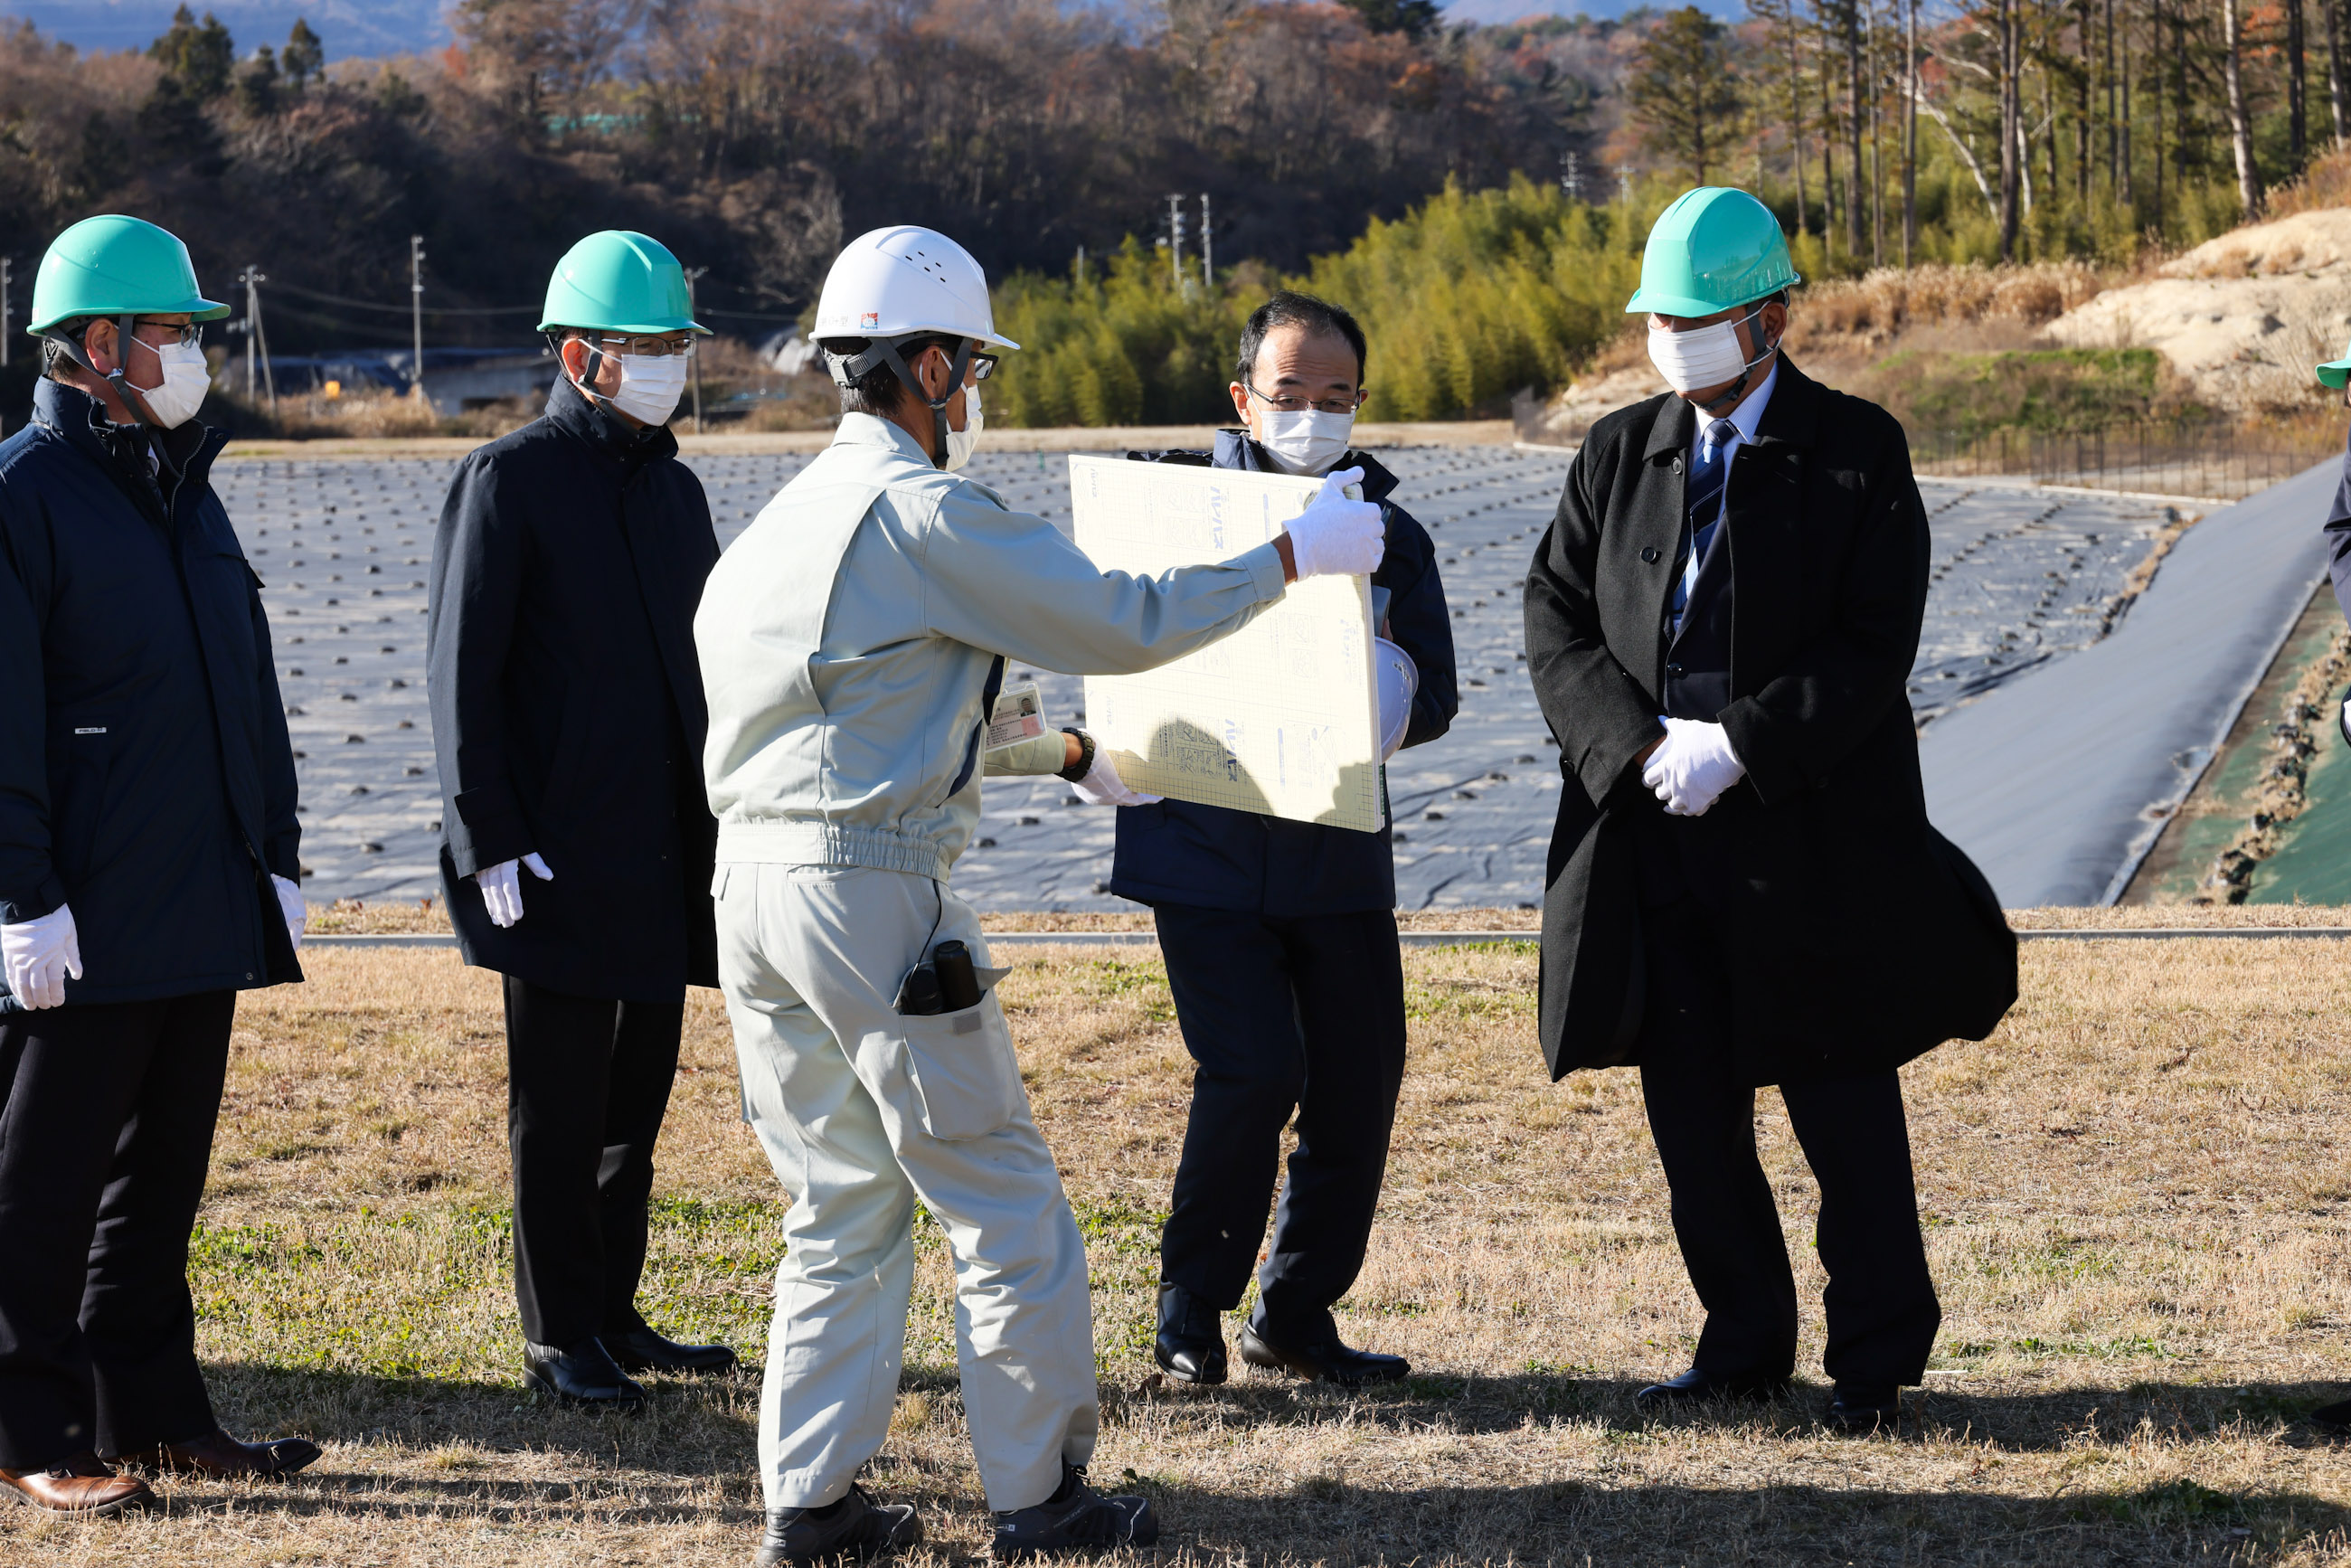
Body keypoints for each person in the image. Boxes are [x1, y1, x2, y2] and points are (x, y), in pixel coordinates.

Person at [693, 226, 1386, 1565]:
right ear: (933, 364)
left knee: (837, 1198)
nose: (978, 400)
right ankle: (1038, 1498)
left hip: (755, 884)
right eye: (973, 372)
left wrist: (1069, 754)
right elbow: (1117, 615)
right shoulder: (925, 510)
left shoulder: (782, 523)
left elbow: (876, 697)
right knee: (999, 1198)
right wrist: (1289, 560)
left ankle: (812, 1501)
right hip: (874, 888)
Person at [1521, 187, 2016, 1433]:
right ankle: (1742, 1340)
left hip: (1811, 839)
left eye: (1700, 316)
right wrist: (1633, 747)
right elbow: (1554, 616)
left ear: (1772, 316)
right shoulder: (1616, 452)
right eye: (1661, 318)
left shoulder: (1858, 450)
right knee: (1692, 1110)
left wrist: (1741, 744)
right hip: (1657, 832)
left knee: (1842, 1099)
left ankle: (1876, 1357)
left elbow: (1871, 645)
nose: (1673, 338)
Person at [0, 214, 320, 1514]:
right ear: (93, 346)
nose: (192, 351)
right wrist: (20, 895)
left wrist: (278, 853)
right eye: (173, 330)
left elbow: (247, 686)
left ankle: (155, 1410)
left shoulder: (186, 490)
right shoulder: (22, 494)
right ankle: (30, 1426)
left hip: (200, 893)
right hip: (84, 906)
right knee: (40, 1181)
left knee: (160, 1176)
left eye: (192, 330)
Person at [1119, 291, 1456, 1389]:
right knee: (1252, 1070)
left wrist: (1386, 675)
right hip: (1203, 846)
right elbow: (1111, 627)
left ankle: (1296, 1311)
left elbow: (1436, 693)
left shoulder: (1387, 531)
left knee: (1357, 1081)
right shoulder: (1172, 508)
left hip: (1334, 847)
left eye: (1335, 397)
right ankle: (1190, 1308)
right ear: (1240, 397)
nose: (1312, 413)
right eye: (1288, 394)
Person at [427, 230, 735, 1412]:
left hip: (661, 851)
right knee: (556, 1111)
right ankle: (559, 1335)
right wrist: (485, 833)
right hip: (550, 855)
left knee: (633, 1105)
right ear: (579, 354)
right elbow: (466, 674)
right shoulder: (510, 478)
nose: (667, 365)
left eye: (677, 346)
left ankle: (613, 1311)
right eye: (646, 346)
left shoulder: (675, 488)